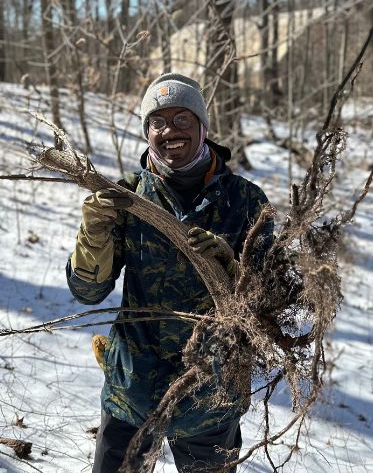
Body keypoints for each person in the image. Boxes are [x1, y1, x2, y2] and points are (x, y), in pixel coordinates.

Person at [66, 73, 273, 472]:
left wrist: (231, 269)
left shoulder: (244, 200)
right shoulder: (128, 196)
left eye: (182, 119)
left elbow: (267, 302)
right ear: (147, 133)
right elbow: (87, 293)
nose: (169, 130)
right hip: (132, 391)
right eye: (157, 122)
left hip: (211, 397)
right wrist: (93, 233)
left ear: (202, 127)